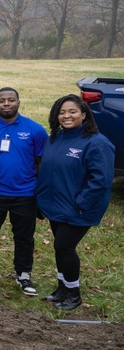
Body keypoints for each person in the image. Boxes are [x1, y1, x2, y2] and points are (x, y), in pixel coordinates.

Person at [34, 94, 115, 310]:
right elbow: (47, 172)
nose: (66, 116)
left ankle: (74, 293)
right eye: (62, 112)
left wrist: (81, 203)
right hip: (55, 206)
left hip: (78, 209)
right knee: (60, 248)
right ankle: (62, 288)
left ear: (84, 114)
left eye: (72, 111)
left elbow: (101, 180)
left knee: (64, 246)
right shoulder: (55, 138)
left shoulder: (97, 142)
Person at [0, 87, 47, 294]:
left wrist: (38, 191)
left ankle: (24, 274)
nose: (6, 104)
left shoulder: (35, 130)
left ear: (18, 102)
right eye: (2, 101)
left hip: (24, 194)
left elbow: (40, 162)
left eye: (11, 100)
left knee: (24, 237)